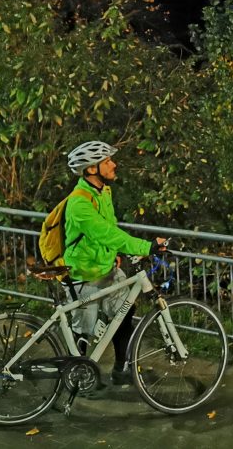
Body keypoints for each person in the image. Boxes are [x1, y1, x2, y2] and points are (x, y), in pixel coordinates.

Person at [62, 140, 166, 386]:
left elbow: (109, 228)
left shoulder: (103, 191)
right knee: (84, 329)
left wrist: (114, 253)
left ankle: (122, 369)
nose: (113, 164)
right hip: (83, 274)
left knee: (125, 313)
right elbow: (105, 234)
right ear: (91, 169)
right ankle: (78, 376)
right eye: (107, 161)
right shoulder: (79, 203)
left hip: (107, 268)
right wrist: (145, 246)